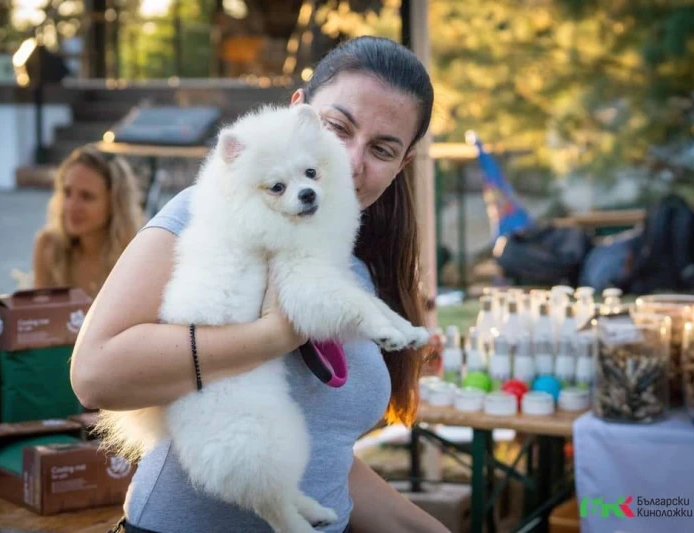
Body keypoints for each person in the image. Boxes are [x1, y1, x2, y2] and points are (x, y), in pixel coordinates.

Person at [71, 36, 449, 533]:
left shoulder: (359, 263)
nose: (352, 161)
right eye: (337, 127)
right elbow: (95, 374)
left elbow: (327, 457)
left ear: (403, 164)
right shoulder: (210, 212)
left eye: (382, 149)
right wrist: (273, 336)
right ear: (298, 113)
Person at [32, 144, 143, 298]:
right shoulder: (49, 245)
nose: (72, 206)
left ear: (114, 203)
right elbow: (37, 316)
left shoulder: (136, 256)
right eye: (67, 192)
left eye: (87, 196)